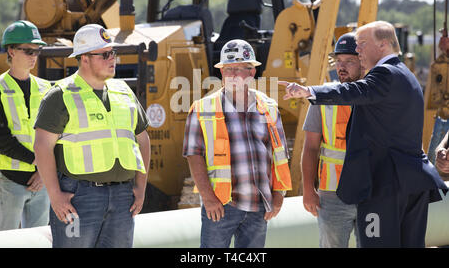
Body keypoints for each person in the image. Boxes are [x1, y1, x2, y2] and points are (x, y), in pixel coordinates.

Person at [279, 21, 448, 248]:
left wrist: (309, 91)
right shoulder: (406, 76)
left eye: (361, 45)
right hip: (409, 182)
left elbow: (356, 90)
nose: (358, 51)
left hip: (384, 186)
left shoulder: (384, 74)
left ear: (383, 45)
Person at [33, 24, 150, 248]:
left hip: (123, 196)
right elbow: (42, 147)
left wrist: (141, 187)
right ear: (84, 58)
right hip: (79, 198)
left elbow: (143, 140)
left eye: (113, 53)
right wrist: (55, 196)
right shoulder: (60, 95)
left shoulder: (124, 91)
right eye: (104, 54)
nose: (112, 59)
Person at [183, 39, 292, 248]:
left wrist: (278, 195)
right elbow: (193, 154)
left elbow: (279, 155)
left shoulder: (269, 107)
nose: (231, 75)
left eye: (238, 69)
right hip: (221, 205)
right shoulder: (203, 108)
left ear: (251, 73)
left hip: (259, 205)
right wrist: (208, 197)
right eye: (227, 69)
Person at [302, 33, 361, 248]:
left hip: (371, 191)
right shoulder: (323, 97)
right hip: (332, 194)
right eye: (339, 61)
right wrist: (308, 189)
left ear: (363, 61)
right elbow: (310, 148)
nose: (341, 67)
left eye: (350, 61)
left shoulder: (377, 95)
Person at [0, 20, 51, 230]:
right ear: (11, 50)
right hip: (10, 182)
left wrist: (43, 172)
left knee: (38, 242)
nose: (34, 57)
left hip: (42, 182)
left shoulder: (47, 88)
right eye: (28, 51)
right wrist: (40, 164)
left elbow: (58, 135)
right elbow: (2, 141)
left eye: (37, 51)